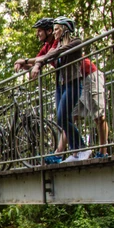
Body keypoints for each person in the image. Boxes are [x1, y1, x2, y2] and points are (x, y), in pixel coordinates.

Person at [30, 17, 100, 162]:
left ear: (65, 29)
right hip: (60, 85)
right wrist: (31, 64)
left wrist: (37, 64)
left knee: (62, 117)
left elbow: (54, 53)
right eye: (54, 29)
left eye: (56, 29)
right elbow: (47, 55)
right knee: (62, 119)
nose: (54, 32)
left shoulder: (75, 42)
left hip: (73, 84)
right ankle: (76, 151)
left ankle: (81, 148)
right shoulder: (56, 46)